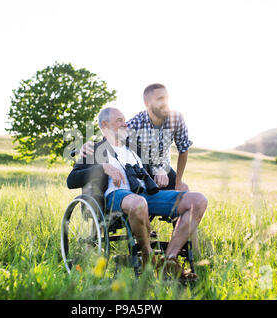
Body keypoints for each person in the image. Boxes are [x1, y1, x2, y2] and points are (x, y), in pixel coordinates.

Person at [67, 107, 207, 280]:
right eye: (119, 120)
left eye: (124, 119)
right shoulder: (93, 150)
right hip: (116, 196)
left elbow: (159, 161)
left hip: (147, 194)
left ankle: (169, 259)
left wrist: (161, 172)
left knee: (198, 200)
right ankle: (148, 256)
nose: (125, 123)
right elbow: (71, 180)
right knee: (138, 202)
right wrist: (102, 167)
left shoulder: (136, 147)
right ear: (105, 124)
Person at [80, 83, 192, 193]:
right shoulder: (137, 123)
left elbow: (183, 150)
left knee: (185, 196)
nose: (165, 103)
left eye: (166, 98)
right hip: (143, 170)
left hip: (164, 168)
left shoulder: (176, 118)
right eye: (160, 99)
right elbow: (113, 134)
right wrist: (91, 145)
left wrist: (178, 182)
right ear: (147, 103)